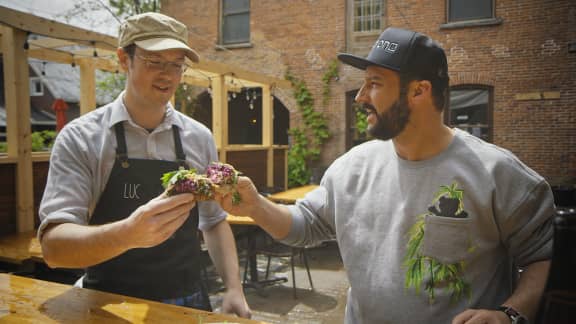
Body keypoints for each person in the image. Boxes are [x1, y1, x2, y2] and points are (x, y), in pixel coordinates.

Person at [216, 27, 554, 323]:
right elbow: (306, 224)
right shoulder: (351, 168)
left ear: (419, 91)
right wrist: (256, 205)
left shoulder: (497, 174)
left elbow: (542, 255)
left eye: (374, 84)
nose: (361, 98)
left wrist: (510, 313)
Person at [38, 12, 251, 318]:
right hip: (104, 304)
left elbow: (214, 221)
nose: (167, 75)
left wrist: (233, 288)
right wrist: (128, 234)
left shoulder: (198, 137)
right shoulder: (82, 138)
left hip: (187, 299)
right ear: (124, 59)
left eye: (176, 64)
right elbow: (54, 249)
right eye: (154, 61)